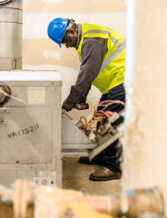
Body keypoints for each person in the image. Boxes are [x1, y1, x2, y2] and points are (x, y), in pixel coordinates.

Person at [47, 17, 126, 181]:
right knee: (102, 119)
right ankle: (103, 156)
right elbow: (89, 71)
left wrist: (70, 100)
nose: (66, 45)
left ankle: (113, 168)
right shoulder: (85, 39)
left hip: (121, 80)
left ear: (72, 31)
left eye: (65, 40)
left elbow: (88, 73)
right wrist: (82, 95)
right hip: (112, 83)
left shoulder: (92, 40)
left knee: (111, 125)